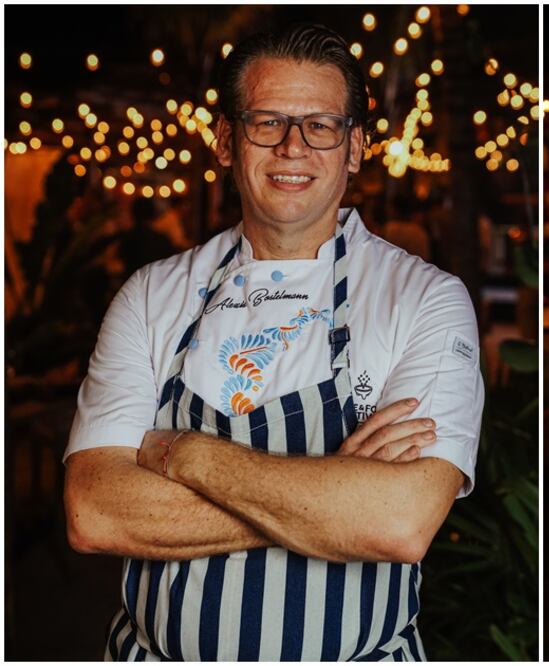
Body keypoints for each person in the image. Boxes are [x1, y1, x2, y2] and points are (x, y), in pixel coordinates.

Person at [63, 23, 483, 661]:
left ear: (355, 147)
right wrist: (336, 496)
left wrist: (185, 456)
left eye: (321, 125)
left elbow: (398, 524)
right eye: (268, 122)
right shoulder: (152, 295)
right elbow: (95, 511)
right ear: (227, 141)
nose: (294, 147)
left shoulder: (425, 299)